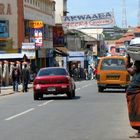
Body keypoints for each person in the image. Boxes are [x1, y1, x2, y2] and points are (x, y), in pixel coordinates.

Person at [126, 54, 140, 138]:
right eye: (134, 65)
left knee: (138, 114)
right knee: (135, 113)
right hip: (132, 96)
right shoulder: (135, 73)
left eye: (136, 65)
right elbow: (127, 67)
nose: (134, 66)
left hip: (137, 96)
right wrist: (128, 56)